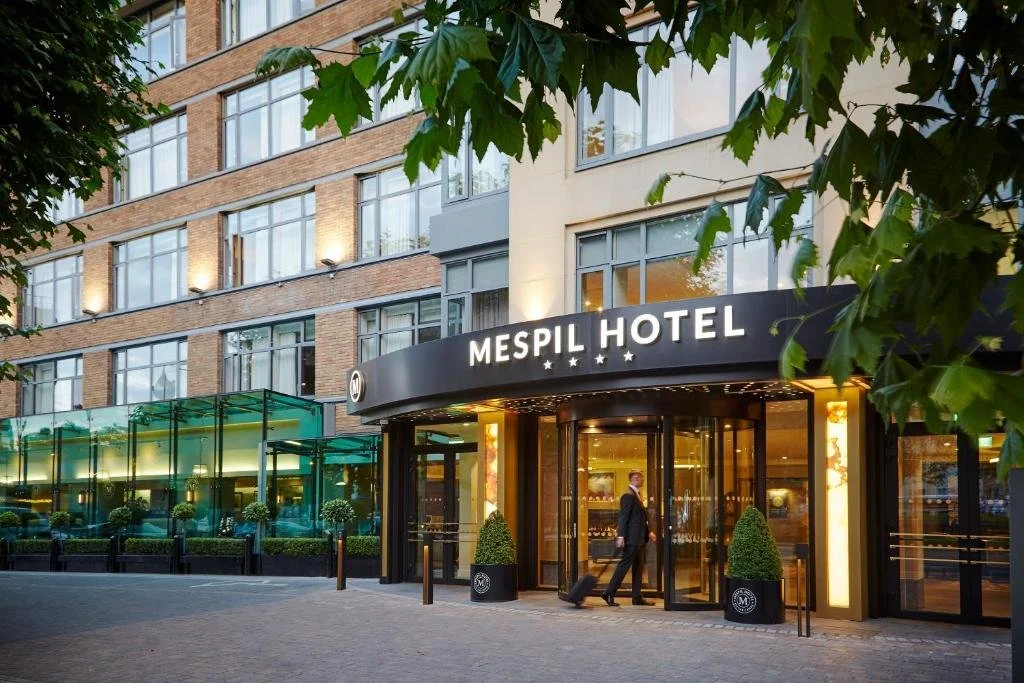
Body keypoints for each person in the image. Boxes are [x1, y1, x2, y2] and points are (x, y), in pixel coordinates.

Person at [601, 469, 656, 606]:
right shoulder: (628, 495)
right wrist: (621, 536)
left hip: (639, 538)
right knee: (624, 567)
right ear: (635, 478)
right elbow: (623, 517)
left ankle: (637, 598)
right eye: (641, 478)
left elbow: (639, 518)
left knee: (638, 569)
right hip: (632, 539)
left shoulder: (636, 494)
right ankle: (609, 593)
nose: (642, 480)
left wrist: (648, 532)